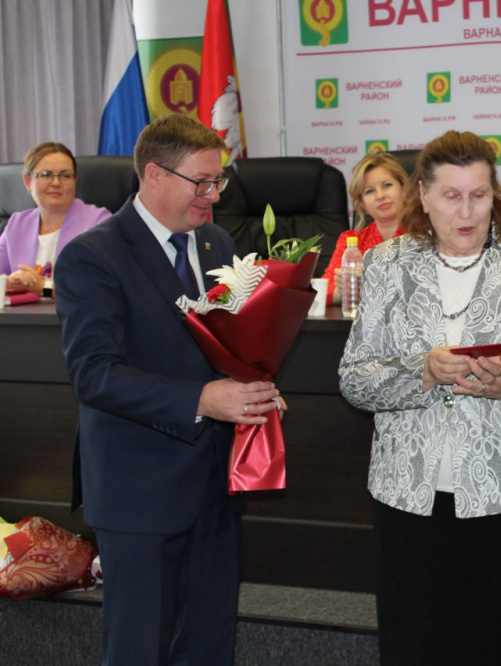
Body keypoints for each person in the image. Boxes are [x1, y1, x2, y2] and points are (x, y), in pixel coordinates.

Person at [338, 130, 501, 666]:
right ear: (423, 196)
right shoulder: (386, 263)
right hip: (410, 497)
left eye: (479, 194)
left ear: (495, 192)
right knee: (418, 646)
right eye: (451, 196)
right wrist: (423, 371)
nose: (467, 211)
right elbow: (354, 381)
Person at [55, 114, 283, 666]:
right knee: (140, 646)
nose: (214, 196)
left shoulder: (217, 242)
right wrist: (203, 400)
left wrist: (253, 385)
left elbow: (228, 345)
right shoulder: (92, 255)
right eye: (201, 182)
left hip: (215, 482)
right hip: (139, 487)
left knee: (209, 641)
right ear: (155, 175)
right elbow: (94, 374)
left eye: (217, 181)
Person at [0, 142, 110, 293]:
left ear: (75, 180)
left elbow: (99, 287)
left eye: (65, 175)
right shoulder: (16, 224)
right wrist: (8, 283)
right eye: (46, 175)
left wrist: (42, 288)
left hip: (77, 309)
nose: (56, 183)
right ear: (27, 181)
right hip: (23, 309)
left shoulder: (99, 223)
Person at [320, 151, 407, 305]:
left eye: (387, 185)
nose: (380, 196)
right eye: (369, 191)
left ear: (404, 189)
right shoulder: (351, 241)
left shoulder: (424, 235)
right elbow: (323, 291)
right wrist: (342, 292)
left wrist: (370, 281)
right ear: (362, 203)